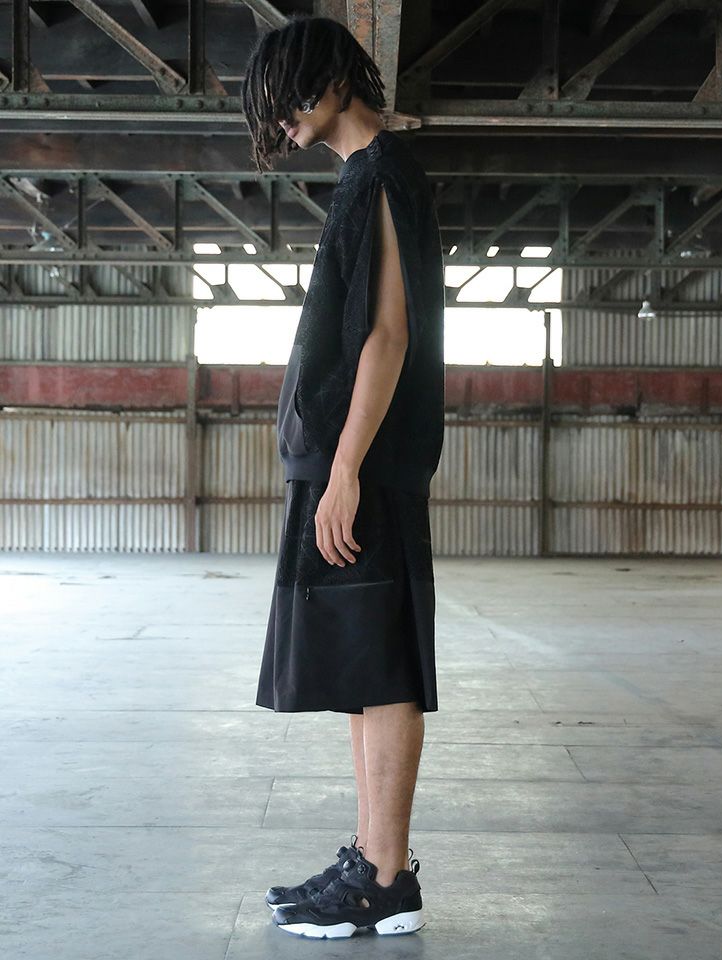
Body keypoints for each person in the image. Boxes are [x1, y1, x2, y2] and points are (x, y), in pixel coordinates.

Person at [241, 14, 445, 940]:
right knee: (362, 664)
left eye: (285, 98)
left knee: (384, 663)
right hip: (343, 463)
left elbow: (389, 334)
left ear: (329, 82)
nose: (279, 119)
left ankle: (387, 877)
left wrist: (347, 471)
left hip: (365, 466)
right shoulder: (363, 177)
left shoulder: (385, 172)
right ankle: (370, 859)